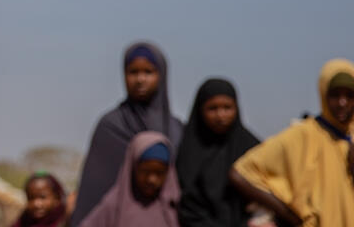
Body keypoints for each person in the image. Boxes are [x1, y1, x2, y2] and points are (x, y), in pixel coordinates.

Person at [229, 58, 354, 226]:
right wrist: (287, 213)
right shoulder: (303, 135)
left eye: (349, 95)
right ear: (323, 94)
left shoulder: (350, 137)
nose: (342, 102)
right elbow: (242, 173)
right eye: (335, 95)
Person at [70, 42, 184, 226]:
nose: (140, 80)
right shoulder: (111, 126)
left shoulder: (177, 130)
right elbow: (92, 194)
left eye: (148, 72)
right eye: (133, 72)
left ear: (161, 75)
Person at [175, 78, 259, 227]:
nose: (220, 116)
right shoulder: (187, 150)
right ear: (200, 110)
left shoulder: (253, 149)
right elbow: (187, 204)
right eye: (212, 109)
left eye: (227, 108)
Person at [78, 131, 181, 227]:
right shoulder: (114, 206)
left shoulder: (174, 209)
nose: (152, 179)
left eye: (159, 173)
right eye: (145, 171)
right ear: (133, 168)